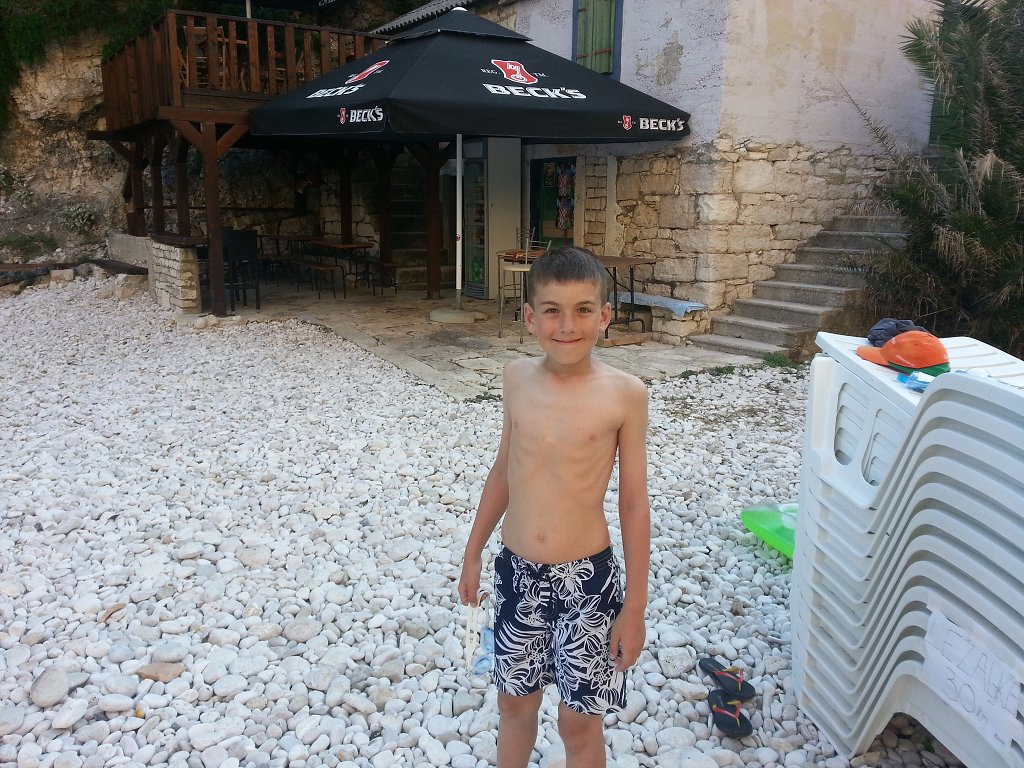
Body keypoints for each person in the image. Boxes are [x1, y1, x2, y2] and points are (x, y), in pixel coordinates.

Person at [458, 246, 651, 768]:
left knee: (579, 722)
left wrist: (634, 608)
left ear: (605, 315)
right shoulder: (516, 378)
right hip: (516, 574)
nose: (567, 326)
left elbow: (634, 503)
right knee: (514, 705)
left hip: (587, 583)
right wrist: (473, 552)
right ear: (529, 317)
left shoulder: (625, 394)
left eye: (583, 310)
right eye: (552, 310)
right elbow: (504, 471)